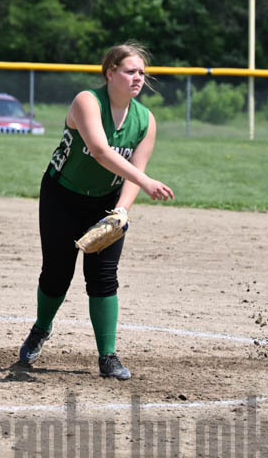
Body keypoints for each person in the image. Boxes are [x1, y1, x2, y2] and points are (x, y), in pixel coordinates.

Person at [18, 42, 174, 380]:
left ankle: (108, 356)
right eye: (130, 71)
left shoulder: (145, 120)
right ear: (110, 73)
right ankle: (41, 329)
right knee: (57, 273)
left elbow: (134, 168)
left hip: (107, 200)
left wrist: (121, 211)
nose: (138, 78)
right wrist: (146, 182)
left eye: (142, 73)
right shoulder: (87, 101)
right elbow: (101, 152)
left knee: (104, 277)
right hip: (62, 195)